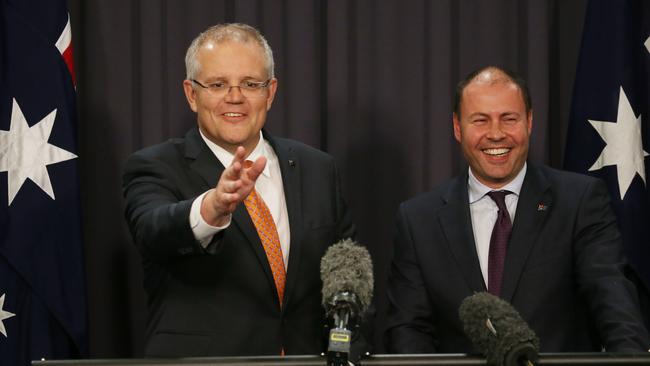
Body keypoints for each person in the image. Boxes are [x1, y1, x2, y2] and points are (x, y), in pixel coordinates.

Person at [123, 23, 360, 357]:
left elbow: (348, 271)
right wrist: (212, 208)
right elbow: (152, 229)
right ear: (192, 94)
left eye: (250, 84)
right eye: (218, 84)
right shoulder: (155, 165)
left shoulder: (317, 169)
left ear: (271, 92)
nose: (235, 97)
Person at [385, 66, 650, 353]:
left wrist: (631, 362)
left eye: (509, 119)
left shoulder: (580, 202)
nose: (496, 134)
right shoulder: (418, 220)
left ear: (529, 122)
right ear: (458, 128)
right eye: (480, 120)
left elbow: (612, 301)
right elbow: (409, 330)